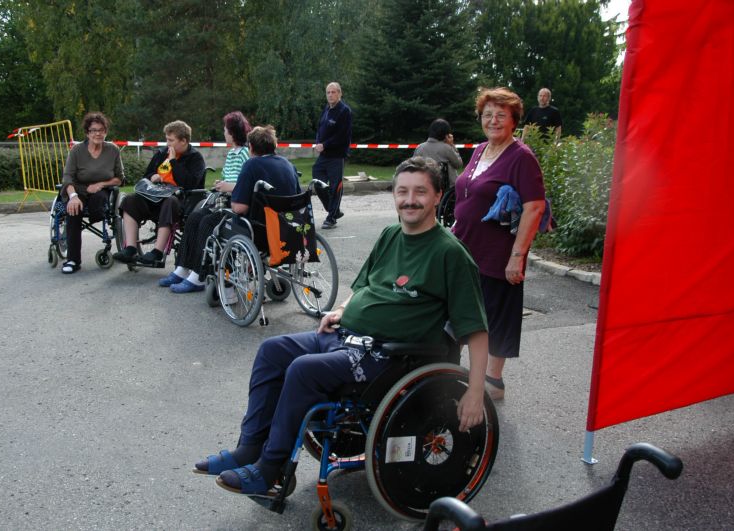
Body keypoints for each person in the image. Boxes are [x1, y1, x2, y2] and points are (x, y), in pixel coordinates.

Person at [196, 157, 489, 498]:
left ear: (438, 196)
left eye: (420, 192)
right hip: (346, 337)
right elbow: (364, 286)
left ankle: (270, 469)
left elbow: (476, 329)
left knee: (303, 370)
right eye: (403, 191)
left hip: (388, 357)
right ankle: (249, 448)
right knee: (272, 351)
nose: (410, 200)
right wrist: (341, 309)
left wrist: (475, 392)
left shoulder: (450, 254)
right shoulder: (391, 235)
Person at [452, 87, 546, 401]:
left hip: (498, 253)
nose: (493, 120)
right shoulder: (480, 150)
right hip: (465, 248)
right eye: (488, 114)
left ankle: (493, 381)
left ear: (513, 120)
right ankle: (451, 371)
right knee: (462, 311)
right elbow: (467, 192)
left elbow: (535, 207)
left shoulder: (521, 157)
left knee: (496, 316)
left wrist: (517, 256)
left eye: (500, 115)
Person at [159, 111, 252, 293]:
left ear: (232, 132)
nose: (224, 133)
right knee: (194, 218)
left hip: (234, 201)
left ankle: (198, 276)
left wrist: (228, 186)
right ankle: (183, 268)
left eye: (225, 130)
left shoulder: (244, 154)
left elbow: (245, 182)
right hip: (223, 199)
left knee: (206, 223)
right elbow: (228, 178)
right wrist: (221, 184)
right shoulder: (231, 154)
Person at [113, 120, 206, 265]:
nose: (167, 144)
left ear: (183, 141)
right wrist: (153, 177)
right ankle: (130, 248)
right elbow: (146, 175)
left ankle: (157, 251)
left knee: (170, 202)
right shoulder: (162, 153)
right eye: (167, 139)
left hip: (180, 200)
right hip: (155, 196)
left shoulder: (195, 158)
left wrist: (173, 161)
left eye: (171, 140)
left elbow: (189, 183)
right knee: (130, 200)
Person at [59, 111, 125, 274]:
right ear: (87, 133)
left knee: (99, 203)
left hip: (101, 191)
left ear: (106, 132)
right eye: (93, 130)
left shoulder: (113, 150)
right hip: (78, 189)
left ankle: (96, 216)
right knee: (74, 211)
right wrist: (73, 197)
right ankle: (73, 260)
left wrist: (101, 184)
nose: (98, 133)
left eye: (101, 130)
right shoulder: (77, 150)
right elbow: (67, 177)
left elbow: (119, 178)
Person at [312, 82, 352, 230]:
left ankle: (331, 218)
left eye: (333, 92)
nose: (330, 95)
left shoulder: (344, 111)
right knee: (317, 182)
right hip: (323, 155)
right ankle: (333, 209)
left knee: (335, 187)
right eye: (328, 92)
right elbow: (320, 128)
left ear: (339, 94)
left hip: (336, 155)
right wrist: (318, 142)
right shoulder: (327, 109)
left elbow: (342, 135)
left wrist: (325, 144)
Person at [413, 118, 464, 188]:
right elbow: (458, 164)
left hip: (425, 186)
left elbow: (414, 168)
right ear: (446, 135)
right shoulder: (447, 148)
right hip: (447, 189)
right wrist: (452, 145)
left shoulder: (419, 148)